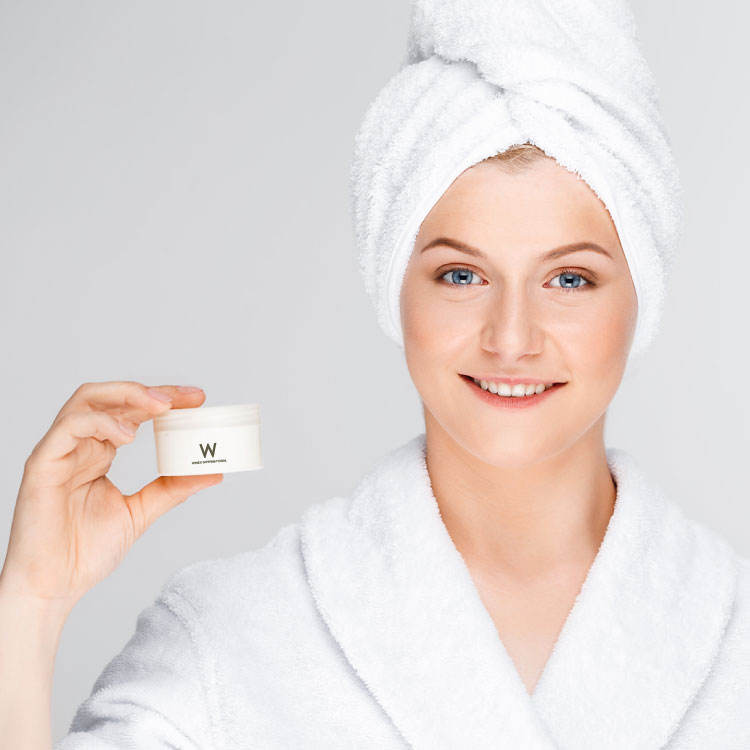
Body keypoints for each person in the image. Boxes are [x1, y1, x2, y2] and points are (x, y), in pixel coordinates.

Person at [2, 3, 749, 750]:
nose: (511, 339)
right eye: (461, 275)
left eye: (569, 280)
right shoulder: (231, 638)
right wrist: (30, 605)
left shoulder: (734, 633)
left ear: (641, 295)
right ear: (394, 289)